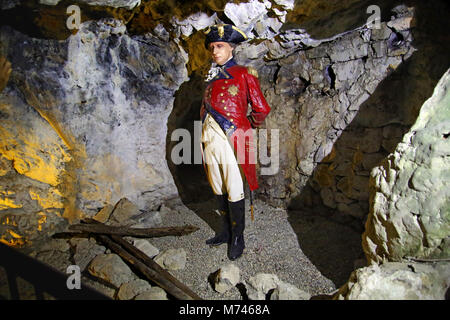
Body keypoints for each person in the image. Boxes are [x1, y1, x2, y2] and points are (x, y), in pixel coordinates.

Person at [200, 24, 271, 260]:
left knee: (233, 185)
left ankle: (238, 237)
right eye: (212, 47)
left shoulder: (243, 73)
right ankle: (225, 231)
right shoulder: (210, 77)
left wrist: (247, 124)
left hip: (231, 137)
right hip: (209, 137)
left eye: (219, 46)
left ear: (231, 48)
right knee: (217, 184)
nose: (215, 51)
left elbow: (261, 108)